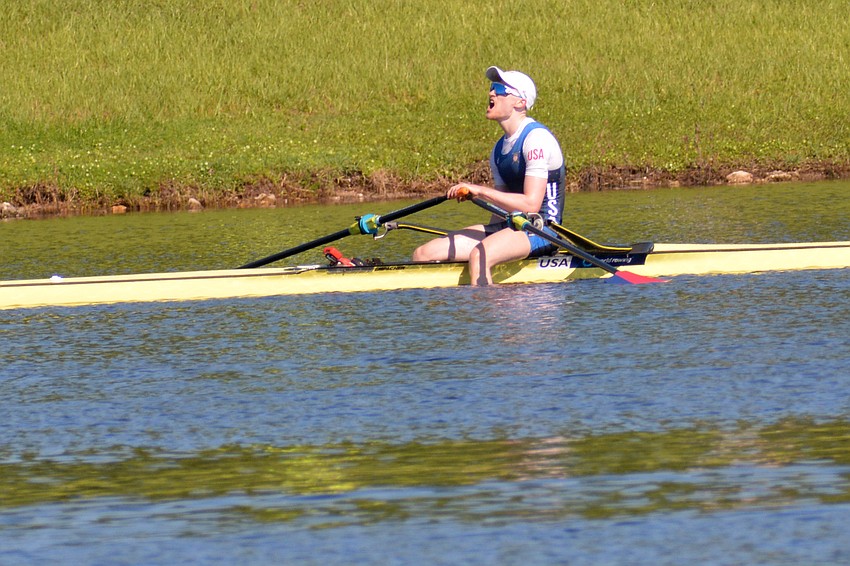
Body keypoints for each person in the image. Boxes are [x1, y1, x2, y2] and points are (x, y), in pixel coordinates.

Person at [411, 66, 566, 285]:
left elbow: (531, 204)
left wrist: (480, 191)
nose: (491, 93)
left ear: (520, 102)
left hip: (542, 229)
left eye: (499, 89)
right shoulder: (498, 150)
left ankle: (488, 315)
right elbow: (501, 210)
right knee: (424, 254)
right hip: (512, 226)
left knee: (479, 255)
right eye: (492, 87)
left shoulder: (536, 139)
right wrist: (495, 237)